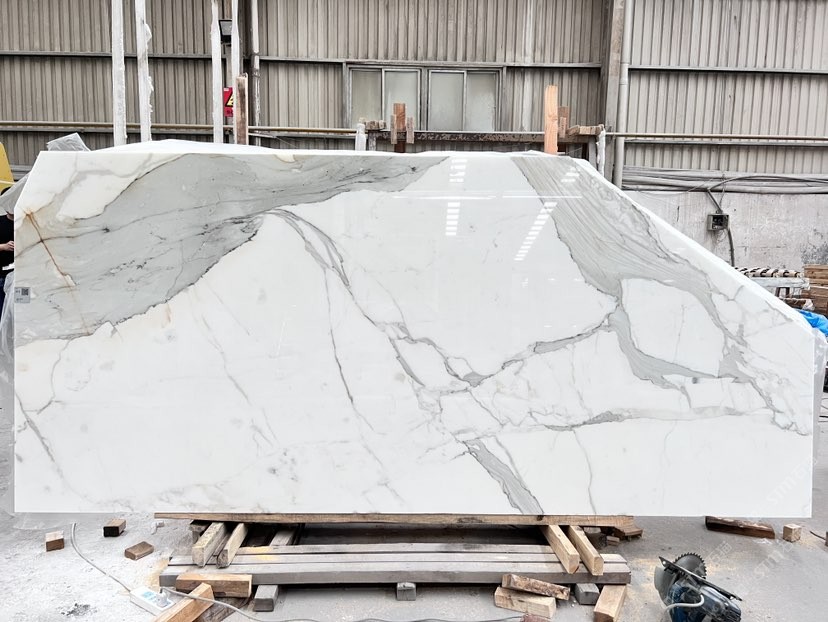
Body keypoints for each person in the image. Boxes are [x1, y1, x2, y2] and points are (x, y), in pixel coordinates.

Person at [0, 202, 13, 312]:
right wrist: (3, 247)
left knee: (20, 306)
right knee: (2, 309)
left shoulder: (26, 223)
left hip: (21, 276)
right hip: (2, 274)